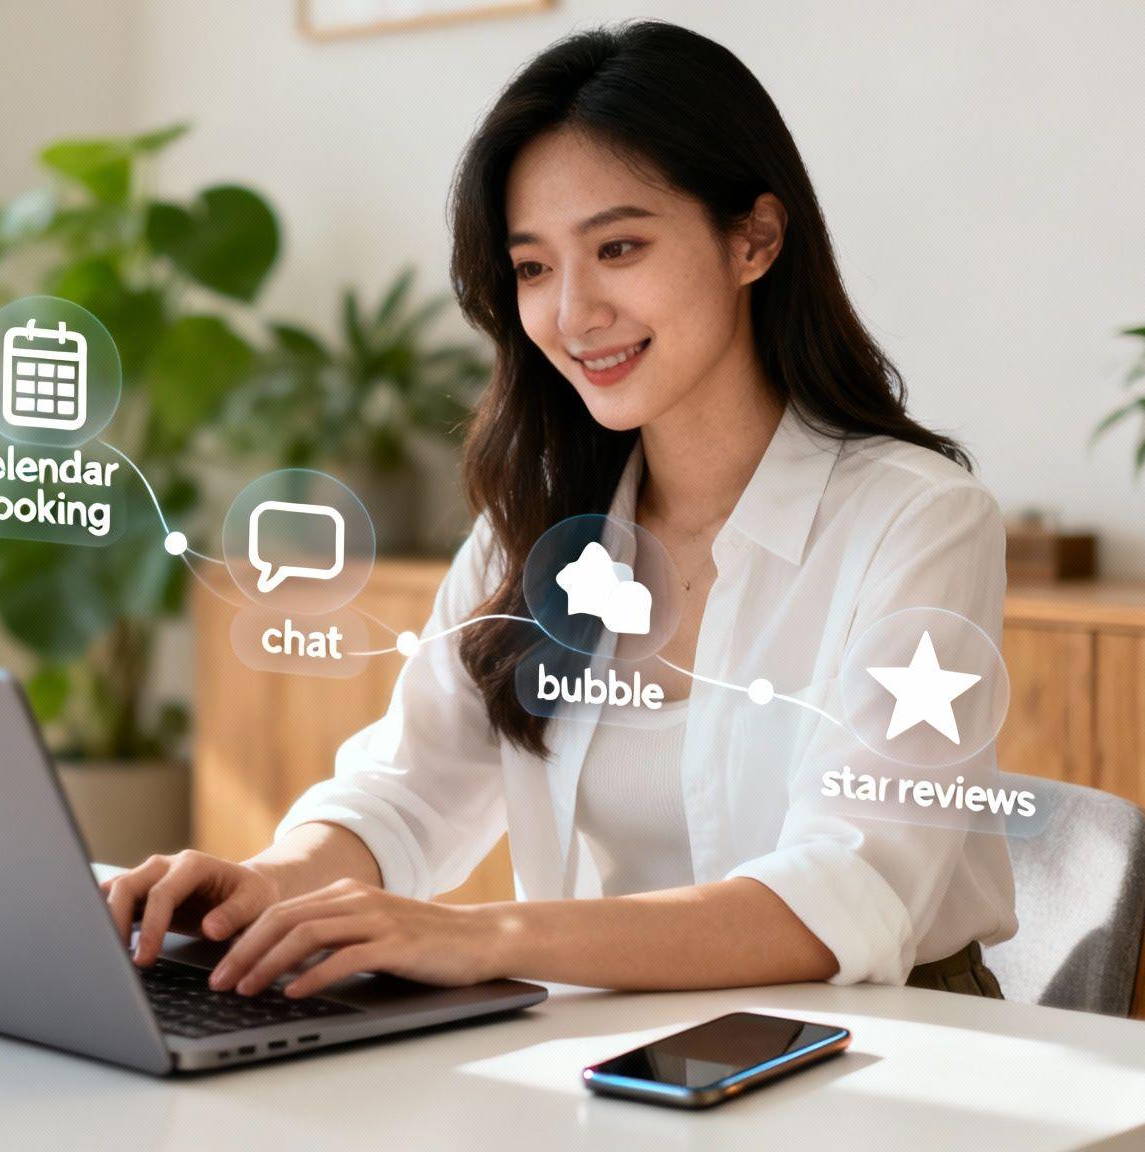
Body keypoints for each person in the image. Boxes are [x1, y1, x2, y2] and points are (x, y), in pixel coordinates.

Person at [103, 20, 1013, 1002]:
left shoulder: (917, 521)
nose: (571, 314)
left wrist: (483, 935)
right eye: (532, 267)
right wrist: (262, 887)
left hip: (892, 1053)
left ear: (752, 239)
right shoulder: (537, 522)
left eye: (616, 247)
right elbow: (407, 790)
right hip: (621, 1051)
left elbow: (850, 887)